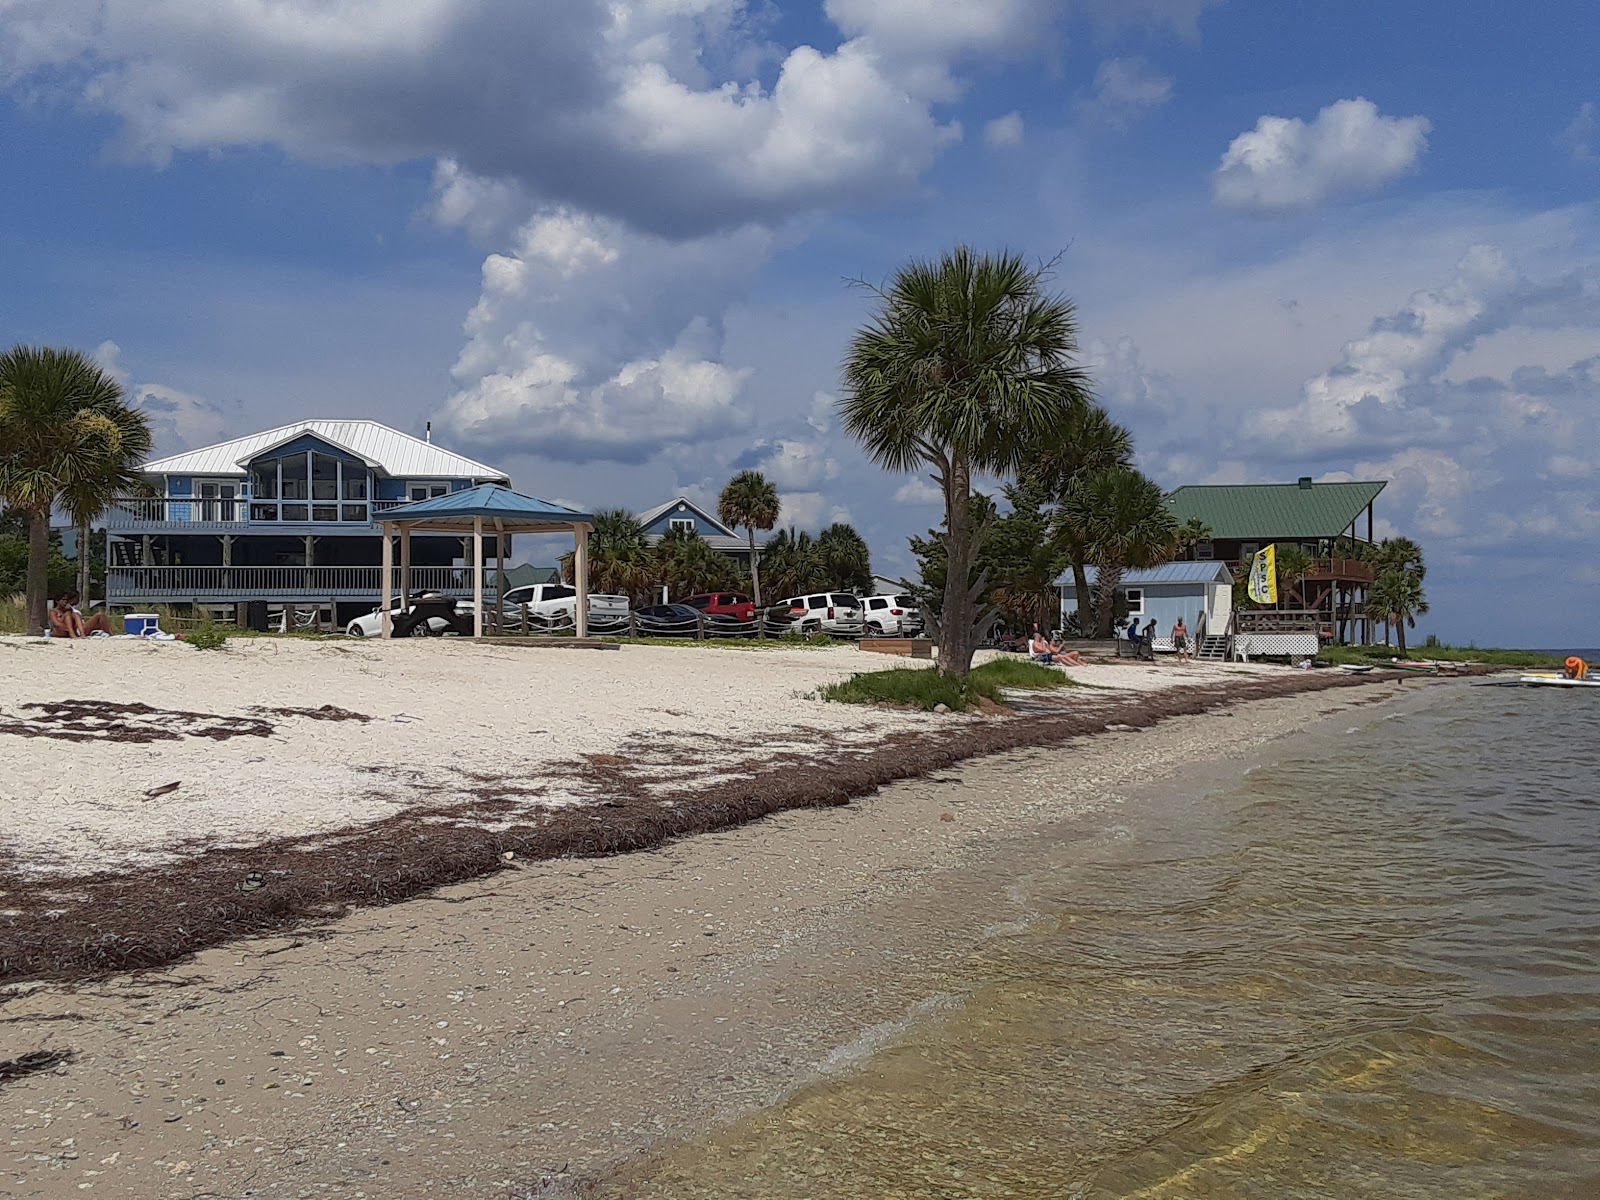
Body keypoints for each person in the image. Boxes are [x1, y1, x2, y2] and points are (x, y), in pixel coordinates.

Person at [48, 593, 112, 638]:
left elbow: (77, 619)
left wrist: (70, 610)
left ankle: (111, 634)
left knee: (100, 614)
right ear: (57, 601)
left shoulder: (70, 610)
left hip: (76, 630)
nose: (66, 602)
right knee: (68, 614)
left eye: (67, 600)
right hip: (61, 632)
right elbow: (57, 624)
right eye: (63, 600)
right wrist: (69, 628)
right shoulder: (53, 612)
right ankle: (73, 634)